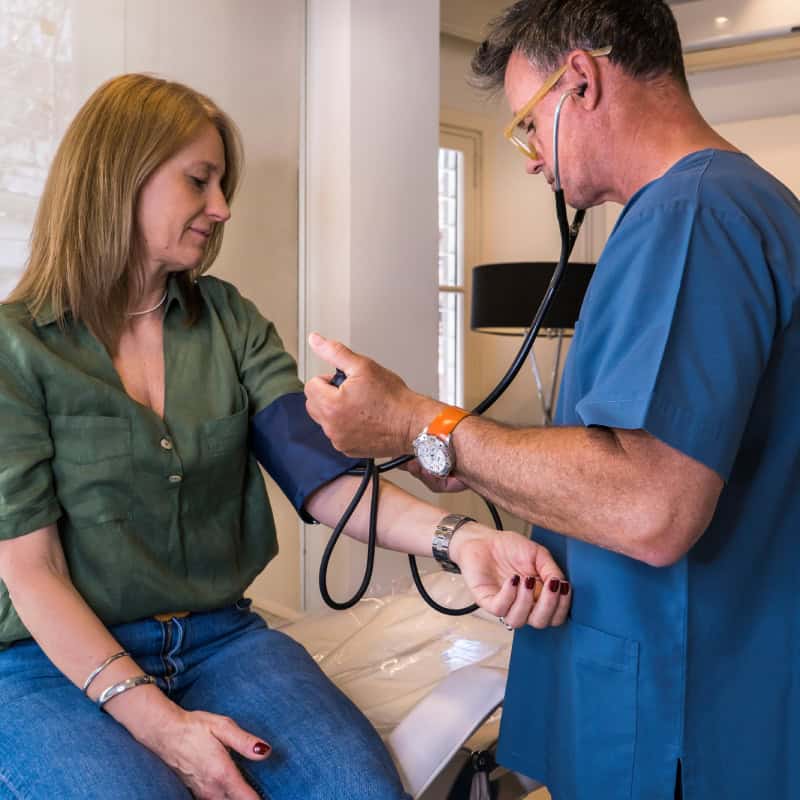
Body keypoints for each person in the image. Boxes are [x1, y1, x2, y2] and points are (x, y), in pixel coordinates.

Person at [0, 73, 573, 800]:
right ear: (121, 177)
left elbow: (323, 477)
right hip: (49, 664)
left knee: (360, 790)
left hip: (219, 641)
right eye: (199, 181)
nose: (222, 207)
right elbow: (32, 571)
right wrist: (164, 728)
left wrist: (461, 540)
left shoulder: (228, 320)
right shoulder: (17, 347)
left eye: (221, 184)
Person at [304, 2, 800, 799]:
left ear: (581, 81)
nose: (532, 158)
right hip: (697, 684)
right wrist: (468, 461)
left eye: (529, 124)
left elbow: (649, 502)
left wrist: (416, 421)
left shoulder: (695, 217)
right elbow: (622, 459)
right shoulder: (721, 209)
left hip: (680, 712)